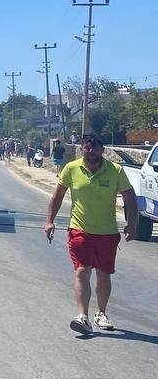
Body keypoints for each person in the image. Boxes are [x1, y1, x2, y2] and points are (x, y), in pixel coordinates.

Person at [45, 133, 138, 334]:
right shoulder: (71, 168)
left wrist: (132, 224)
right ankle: (82, 316)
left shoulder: (115, 171)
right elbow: (57, 196)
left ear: (102, 150)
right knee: (81, 271)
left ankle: (101, 313)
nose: (91, 150)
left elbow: (130, 199)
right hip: (80, 230)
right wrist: (50, 221)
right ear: (82, 149)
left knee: (104, 275)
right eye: (87, 147)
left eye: (95, 147)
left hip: (107, 233)